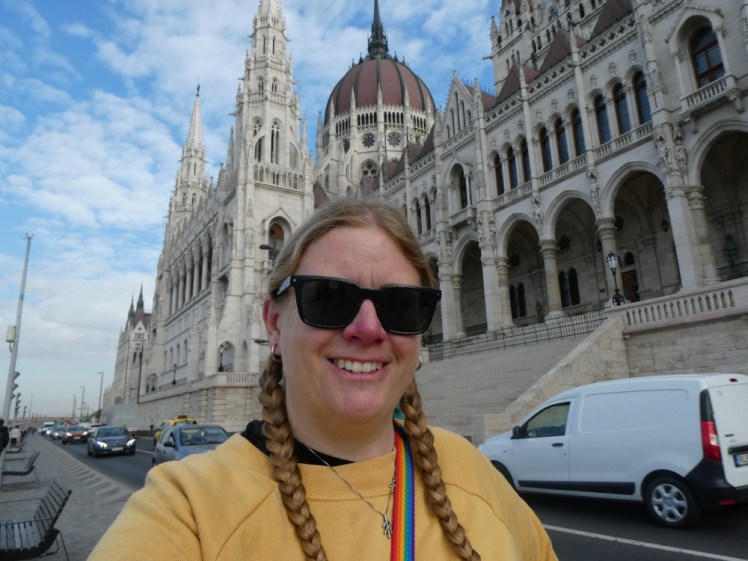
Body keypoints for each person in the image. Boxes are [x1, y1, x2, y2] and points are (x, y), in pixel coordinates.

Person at [89, 198, 557, 561]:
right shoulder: (187, 508)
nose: (369, 330)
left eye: (401, 306)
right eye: (329, 298)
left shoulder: (471, 471)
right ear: (273, 323)